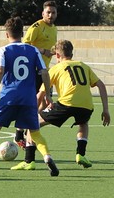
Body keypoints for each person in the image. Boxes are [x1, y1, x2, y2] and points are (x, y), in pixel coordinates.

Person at [0, 17, 59, 177]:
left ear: (7, 34)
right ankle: (47, 157)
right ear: (22, 33)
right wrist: (47, 94)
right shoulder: (33, 50)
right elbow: (45, 72)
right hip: (28, 97)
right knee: (35, 133)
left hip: (9, 97)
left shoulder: (3, 50)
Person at [11, 39, 111, 170]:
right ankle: (80, 154)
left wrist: (30, 114)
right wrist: (106, 110)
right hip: (86, 105)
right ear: (72, 54)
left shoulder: (56, 68)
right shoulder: (83, 65)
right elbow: (101, 85)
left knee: (33, 124)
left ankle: (29, 161)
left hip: (66, 104)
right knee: (83, 124)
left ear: (57, 55)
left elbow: (40, 95)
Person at [14, 0, 58, 150]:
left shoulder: (54, 29)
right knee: (33, 102)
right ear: (43, 13)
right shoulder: (37, 26)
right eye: (48, 12)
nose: (51, 15)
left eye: (53, 12)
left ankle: (25, 129)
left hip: (45, 70)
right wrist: (42, 50)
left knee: (44, 104)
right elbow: (25, 45)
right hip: (33, 70)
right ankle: (21, 132)